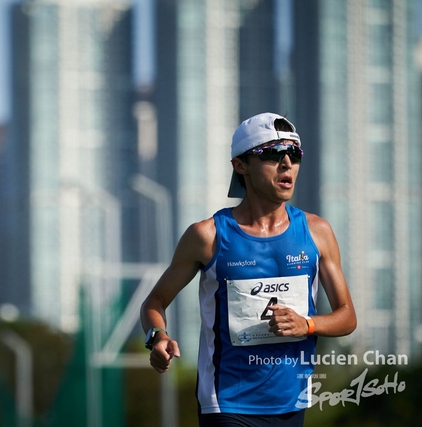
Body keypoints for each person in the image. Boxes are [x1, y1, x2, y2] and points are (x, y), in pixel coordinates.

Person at [140, 112, 356, 427]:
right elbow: (154, 302)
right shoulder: (207, 235)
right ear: (240, 166)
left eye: (294, 154)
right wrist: (157, 336)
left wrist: (307, 324)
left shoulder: (317, 231)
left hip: (291, 402)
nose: (286, 163)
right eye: (271, 153)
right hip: (225, 402)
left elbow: (347, 316)